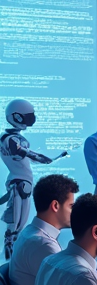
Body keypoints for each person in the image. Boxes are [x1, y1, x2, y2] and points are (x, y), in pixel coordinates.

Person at [1, 98, 58, 258]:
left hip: (21, 181)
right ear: (16, 117)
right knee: (16, 219)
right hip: (19, 182)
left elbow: (25, 155)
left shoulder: (12, 138)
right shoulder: (8, 139)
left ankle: (13, 252)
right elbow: (22, 152)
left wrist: (44, 158)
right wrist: (41, 157)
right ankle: (10, 253)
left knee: (21, 220)